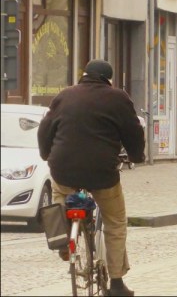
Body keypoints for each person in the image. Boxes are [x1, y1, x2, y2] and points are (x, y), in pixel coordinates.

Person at [37, 59, 145, 297]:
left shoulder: (64, 96)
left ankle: (63, 237)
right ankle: (116, 284)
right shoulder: (118, 98)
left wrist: (46, 154)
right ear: (108, 79)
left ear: (83, 75)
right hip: (102, 172)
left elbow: (45, 129)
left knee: (60, 198)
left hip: (64, 168)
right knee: (115, 221)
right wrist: (137, 156)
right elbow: (133, 131)